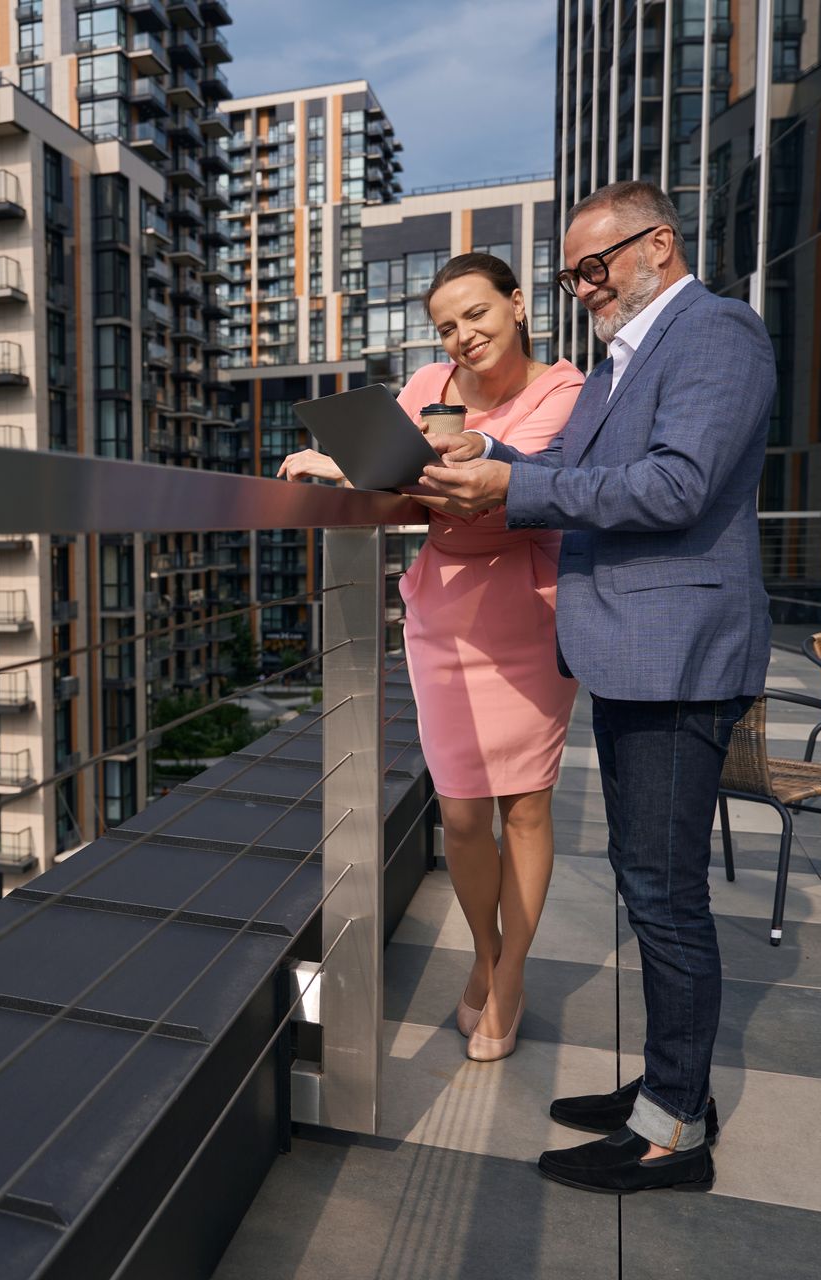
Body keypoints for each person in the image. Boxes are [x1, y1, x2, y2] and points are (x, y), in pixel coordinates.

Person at [418, 180, 775, 1195]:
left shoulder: (716, 331)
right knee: (647, 881)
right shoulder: (631, 353)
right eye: (571, 273)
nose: (581, 287)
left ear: (657, 244)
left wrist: (512, 485)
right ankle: (671, 1088)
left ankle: (672, 1135)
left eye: (593, 266)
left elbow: (675, 485)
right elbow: (566, 456)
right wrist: (483, 449)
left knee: (664, 896)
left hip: (675, 651)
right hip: (633, 649)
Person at [278, 253, 584, 1062]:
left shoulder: (564, 388)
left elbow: (491, 484)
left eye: (477, 315)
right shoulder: (425, 387)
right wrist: (343, 466)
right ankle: (482, 955)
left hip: (529, 607)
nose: (462, 337)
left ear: (517, 305)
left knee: (524, 806)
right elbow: (399, 486)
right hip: (444, 607)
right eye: (446, 325)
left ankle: (509, 975)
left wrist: (396, 467)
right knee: (459, 811)